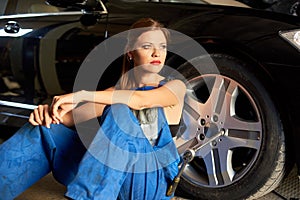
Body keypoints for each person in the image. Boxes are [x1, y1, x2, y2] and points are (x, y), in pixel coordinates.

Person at [0, 18, 186, 200]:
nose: (156, 53)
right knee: (47, 129)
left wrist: (82, 95)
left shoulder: (175, 87)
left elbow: (140, 101)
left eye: (162, 46)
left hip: (151, 183)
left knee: (118, 109)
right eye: (147, 46)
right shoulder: (115, 92)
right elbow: (70, 117)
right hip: (114, 181)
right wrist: (46, 114)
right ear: (130, 52)